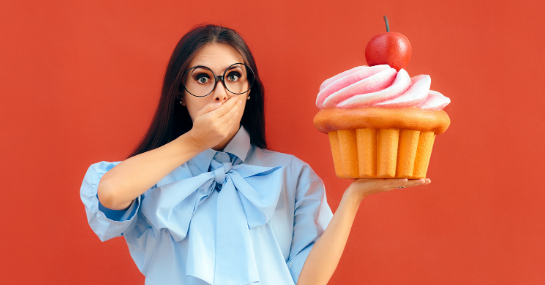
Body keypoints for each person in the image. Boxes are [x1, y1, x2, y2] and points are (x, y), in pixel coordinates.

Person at [79, 24, 430, 285]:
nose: (220, 92)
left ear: (248, 91)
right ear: (179, 94)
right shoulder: (151, 173)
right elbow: (109, 194)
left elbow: (308, 281)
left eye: (233, 76)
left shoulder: (292, 175)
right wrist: (195, 142)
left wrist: (355, 195)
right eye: (202, 78)